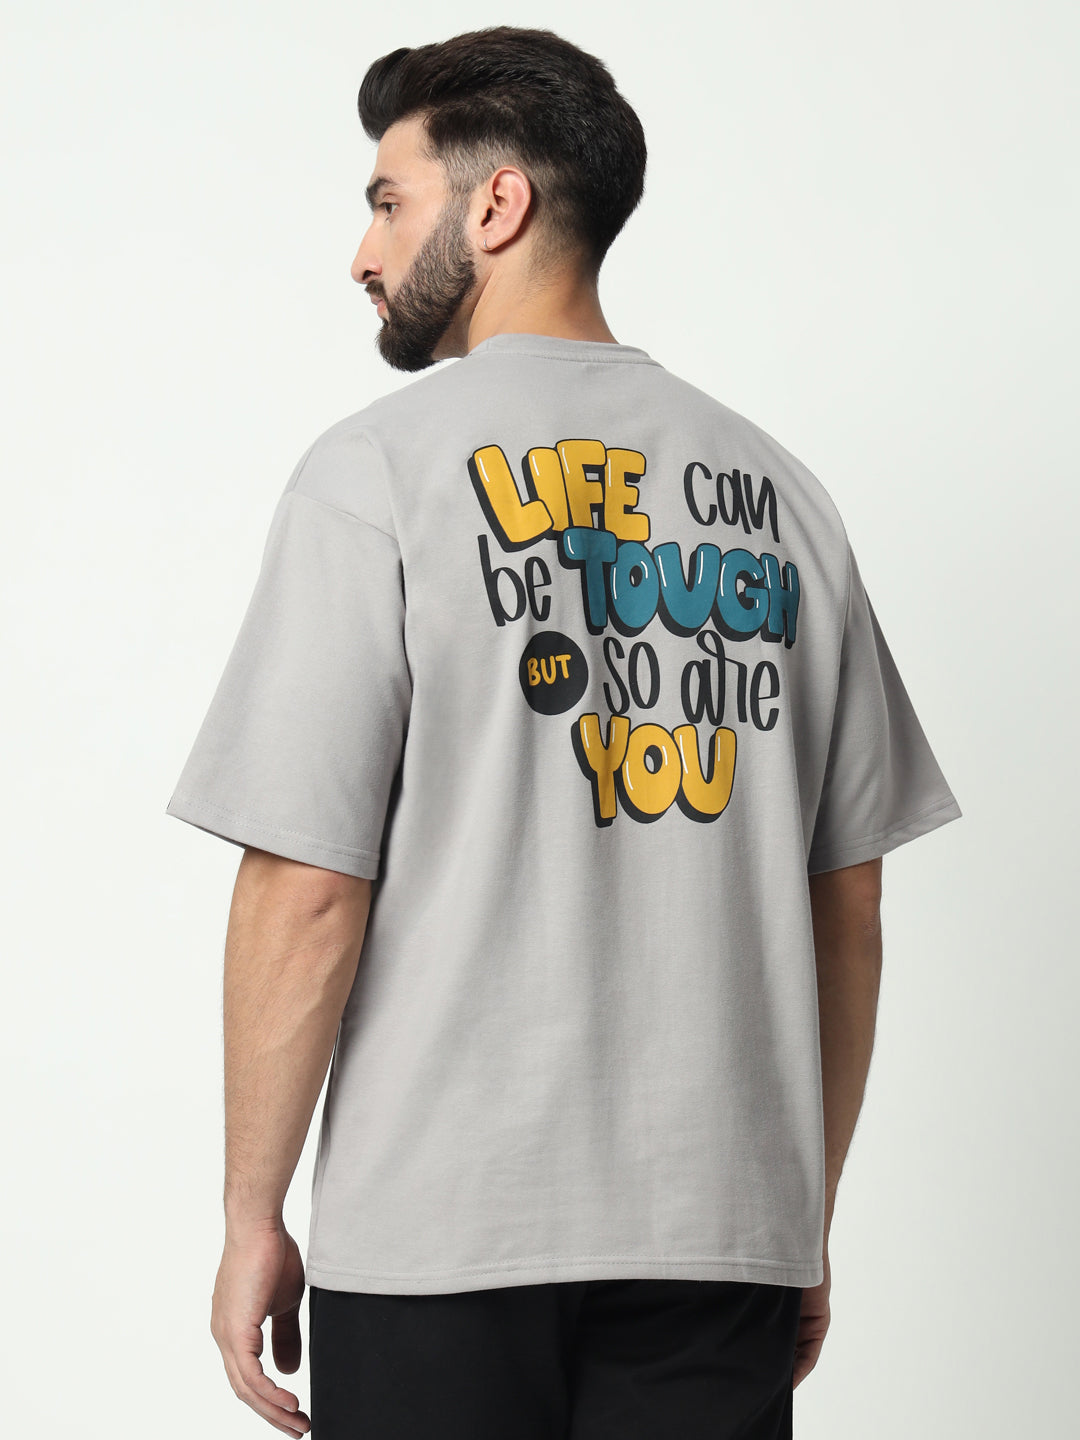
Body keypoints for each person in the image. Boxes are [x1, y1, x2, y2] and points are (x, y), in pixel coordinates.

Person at [165, 24, 962, 1439]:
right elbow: (850, 904)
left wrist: (249, 1214)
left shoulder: (379, 475)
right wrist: (798, 1220)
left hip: (440, 1236)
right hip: (717, 1238)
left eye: (387, 201)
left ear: (498, 204)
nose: (361, 254)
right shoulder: (783, 498)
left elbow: (307, 885)